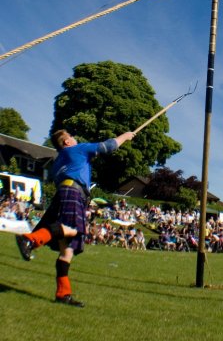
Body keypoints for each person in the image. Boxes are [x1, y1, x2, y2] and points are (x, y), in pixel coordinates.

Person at [15, 128, 136, 307]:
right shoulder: (78, 149)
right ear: (67, 142)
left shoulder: (59, 161)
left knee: (67, 250)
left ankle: (63, 294)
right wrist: (126, 136)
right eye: (72, 136)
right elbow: (108, 146)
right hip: (74, 193)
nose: (75, 138)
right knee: (72, 229)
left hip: (64, 192)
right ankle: (30, 240)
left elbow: (78, 165)